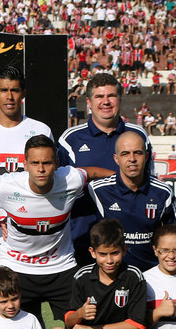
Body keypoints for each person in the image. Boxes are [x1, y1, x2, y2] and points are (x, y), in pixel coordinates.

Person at [0, 135, 111, 329]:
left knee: (85, 323)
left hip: (61, 265)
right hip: (16, 266)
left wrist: (126, 177)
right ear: (25, 164)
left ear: (56, 163)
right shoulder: (6, 185)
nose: (40, 169)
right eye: (35, 163)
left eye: (46, 163)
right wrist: (0, 217)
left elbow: (93, 172)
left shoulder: (70, 179)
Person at [0, 67, 54, 318]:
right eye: (4, 90)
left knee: (26, 309)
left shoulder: (40, 131)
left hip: (26, 240)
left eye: (15, 90)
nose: (9, 96)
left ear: (23, 93)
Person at [58, 73, 152, 264]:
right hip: (83, 241)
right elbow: (58, 190)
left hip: (129, 241)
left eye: (111, 96)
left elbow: (148, 186)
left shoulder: (138, 134)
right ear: (89, 102)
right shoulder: (70, 139)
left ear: (120, 99)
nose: (106, 102)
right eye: (99, 97)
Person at [86, 132, 176, 271]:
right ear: (116, 158)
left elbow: (175, 237)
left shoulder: (163, 192)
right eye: (125, 154)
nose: (132, 159)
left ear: (146, 156)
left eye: (138, 153)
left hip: (152, 274)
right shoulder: (97, 190)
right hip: (113, 275)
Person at [65, 218, 148, 329]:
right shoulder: (82, 277)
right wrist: (80, 314)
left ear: (124, 250)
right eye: (103, 254)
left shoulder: (133, 276)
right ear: (92, 252)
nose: (109, 260)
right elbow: (69, 322)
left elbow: (137, 325)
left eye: (115, 253)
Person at [0, 267, 69, 329]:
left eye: (14, 299)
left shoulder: (30, 319)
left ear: (20, 294)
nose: (11, 306)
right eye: (4, 302)